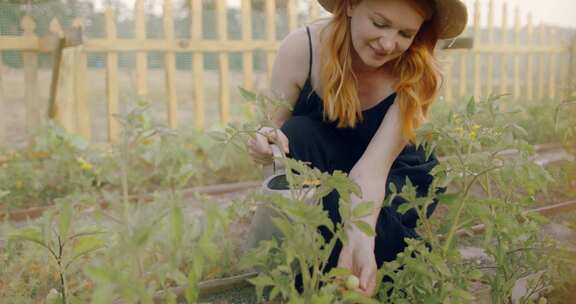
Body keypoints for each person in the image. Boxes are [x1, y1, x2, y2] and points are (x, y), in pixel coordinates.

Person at [247, 0, 468, 297]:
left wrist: (359, 237)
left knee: (359, 240)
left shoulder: (419, 72)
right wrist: (264, 142)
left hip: (393, 173)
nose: (388, 44)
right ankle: (365, 250)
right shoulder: (303, 48)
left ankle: (398, 260)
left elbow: (371, 172)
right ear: (350, 5)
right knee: (297, 133)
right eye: (379, 23)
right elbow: (273, 133)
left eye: (405, 33)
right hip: (326, 165)